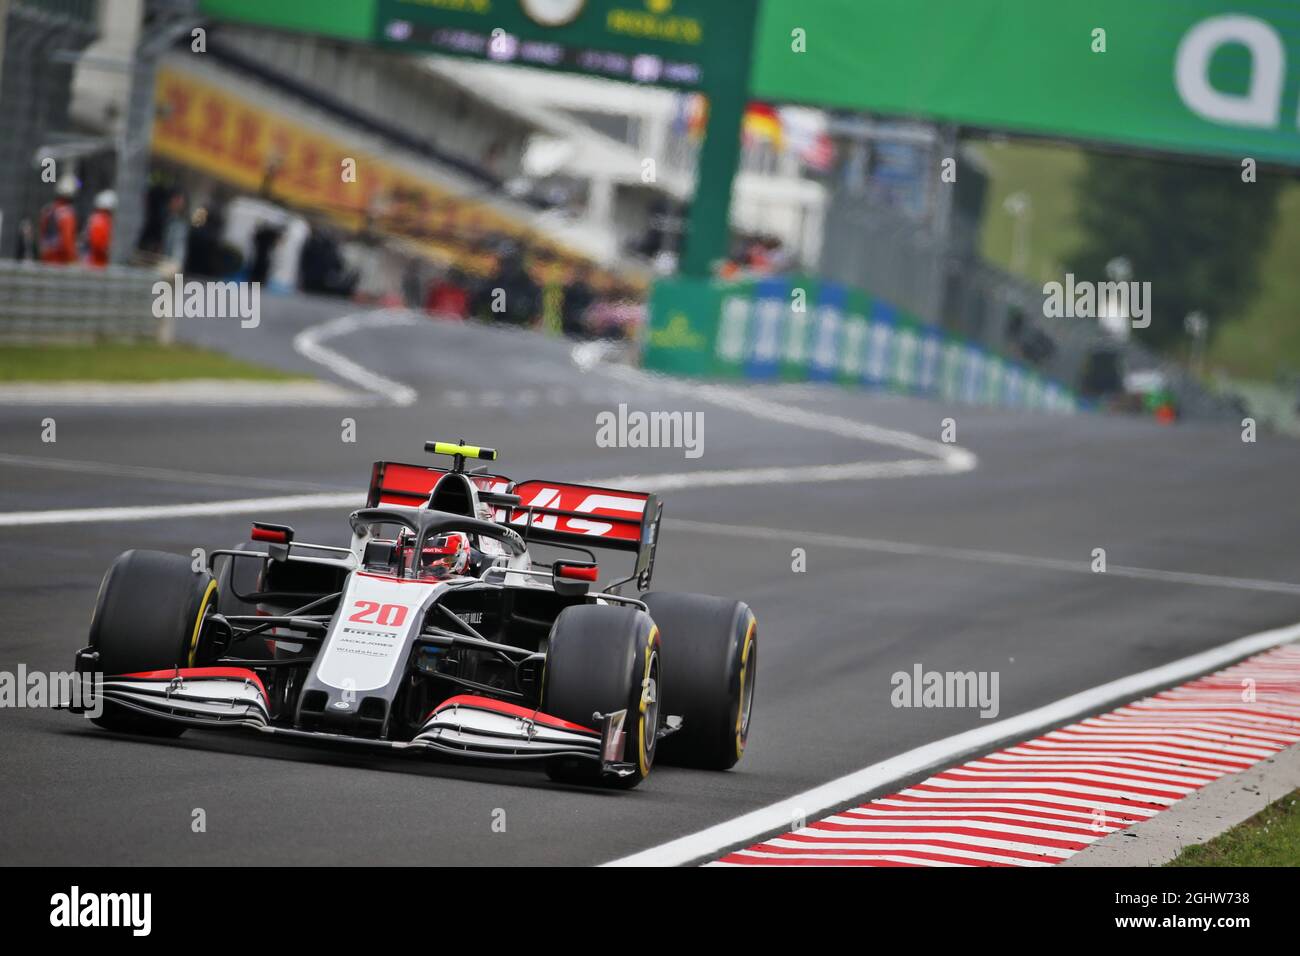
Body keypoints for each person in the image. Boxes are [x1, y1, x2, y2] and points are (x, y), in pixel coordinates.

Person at [38, 175, 79, 264]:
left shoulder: (48, 210)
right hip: (60, 260)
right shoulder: (67, 214)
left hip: (46, 257)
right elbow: (67, 241)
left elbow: (42, 233)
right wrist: (72, 259)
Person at [84, 190, 116, 268]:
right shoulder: (102, 220)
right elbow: (98, 245)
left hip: (91, 261)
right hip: (96, 263)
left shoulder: (94, 218)